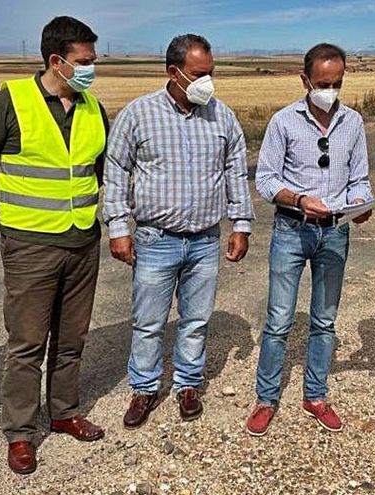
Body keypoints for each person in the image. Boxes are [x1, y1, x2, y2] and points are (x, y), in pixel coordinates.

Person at [0, 16, 108, 474]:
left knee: (71, 338)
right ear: (56, 61)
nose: (91, 69)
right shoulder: (9, 103)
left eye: (93, 60)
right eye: (84, 62)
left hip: (83, 240)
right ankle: (21, 434)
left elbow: (95, 175)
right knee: (26, 343)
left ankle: (64, 413)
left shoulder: (92, 107)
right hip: (30, 246)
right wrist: (12, 216)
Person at [104, 34, 254, 429]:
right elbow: (116, 171)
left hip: (205, 239)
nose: (208, 82)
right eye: (199, 74)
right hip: (155, 239)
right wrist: (118, 227)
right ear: (174, 73)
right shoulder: (139, 114)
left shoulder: (222, 116)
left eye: (211, 73)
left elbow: (235, 172)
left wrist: (241, 224)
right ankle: (144, 388)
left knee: (196, 319)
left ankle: (188, 385)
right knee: (149, 321)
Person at [245, 43, 372, 437]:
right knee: (279, 320)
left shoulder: (353, 122)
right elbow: (264, 179)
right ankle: (266, 399)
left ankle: (315, 395)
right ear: (304, 80)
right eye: (322, 83)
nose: (330, 90)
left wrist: (360, 202)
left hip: (335, 231)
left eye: (337, 83)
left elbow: (360, 178)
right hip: (291, 230)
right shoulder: (283, 121)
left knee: (324, 320)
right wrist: (299, 199)